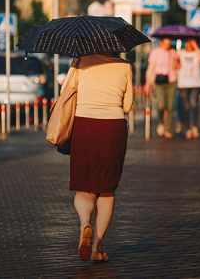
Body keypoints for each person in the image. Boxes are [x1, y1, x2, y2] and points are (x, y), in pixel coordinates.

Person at [67, 53, 133, 263]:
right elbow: (127, 105)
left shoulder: (80, 62)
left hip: (84, 125)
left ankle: (85, 223)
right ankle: (96, 247)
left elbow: (66, 92)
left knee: (84, 186)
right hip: (112, 127)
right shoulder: (124, 66)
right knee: (106, 189)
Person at [146, 38, 180, 139]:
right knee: (161, 105)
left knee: (170, 106)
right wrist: (147, 82)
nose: (167, 45)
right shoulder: (155, 52)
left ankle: (168, 129)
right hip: (159, 81)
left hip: (171, 81)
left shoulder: (173, 52)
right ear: (161, 43)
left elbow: (177, 68)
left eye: (169, 43)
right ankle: (161, 123)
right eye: (165, 43)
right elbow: (150, 67)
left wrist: (176, 60)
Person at [178, 39, 200, 139]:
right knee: (186, 106)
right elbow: (175, 63)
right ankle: (188, 127)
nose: (189, 44)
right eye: (188, 42)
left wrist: (196, 47)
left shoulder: (198, 52)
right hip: (183, 83)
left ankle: (195, 126)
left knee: (194, 104)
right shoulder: (180, 52)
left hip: (195, 82)